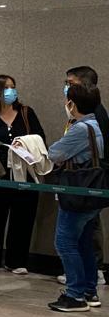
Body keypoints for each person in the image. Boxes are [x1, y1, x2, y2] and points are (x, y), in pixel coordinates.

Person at [47, 84, 105, 312]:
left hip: (76, 194)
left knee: (64, 242)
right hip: (92, 193)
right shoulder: (96, 125)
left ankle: (74, 295)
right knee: (83, 243)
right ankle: (89, 290)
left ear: (72, 104)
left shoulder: (81, 128)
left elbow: (55, 153)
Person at [0, 75, 45, 274]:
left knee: (23, 218)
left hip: (25, 174)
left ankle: (16, 261)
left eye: (13, 87)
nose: (11, 91)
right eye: (6, 87)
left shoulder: (26, 113)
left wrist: (24, 143)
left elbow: (40, 138)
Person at [63, 66, 109, 288]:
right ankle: (88, 282)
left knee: (73, 237)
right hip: (89, 179)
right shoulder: (84, 117)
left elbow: (57, 153)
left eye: (70, 83)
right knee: (85, 232)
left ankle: (80, 284)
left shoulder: (91, 118)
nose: (66, 88)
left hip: (87, 180)